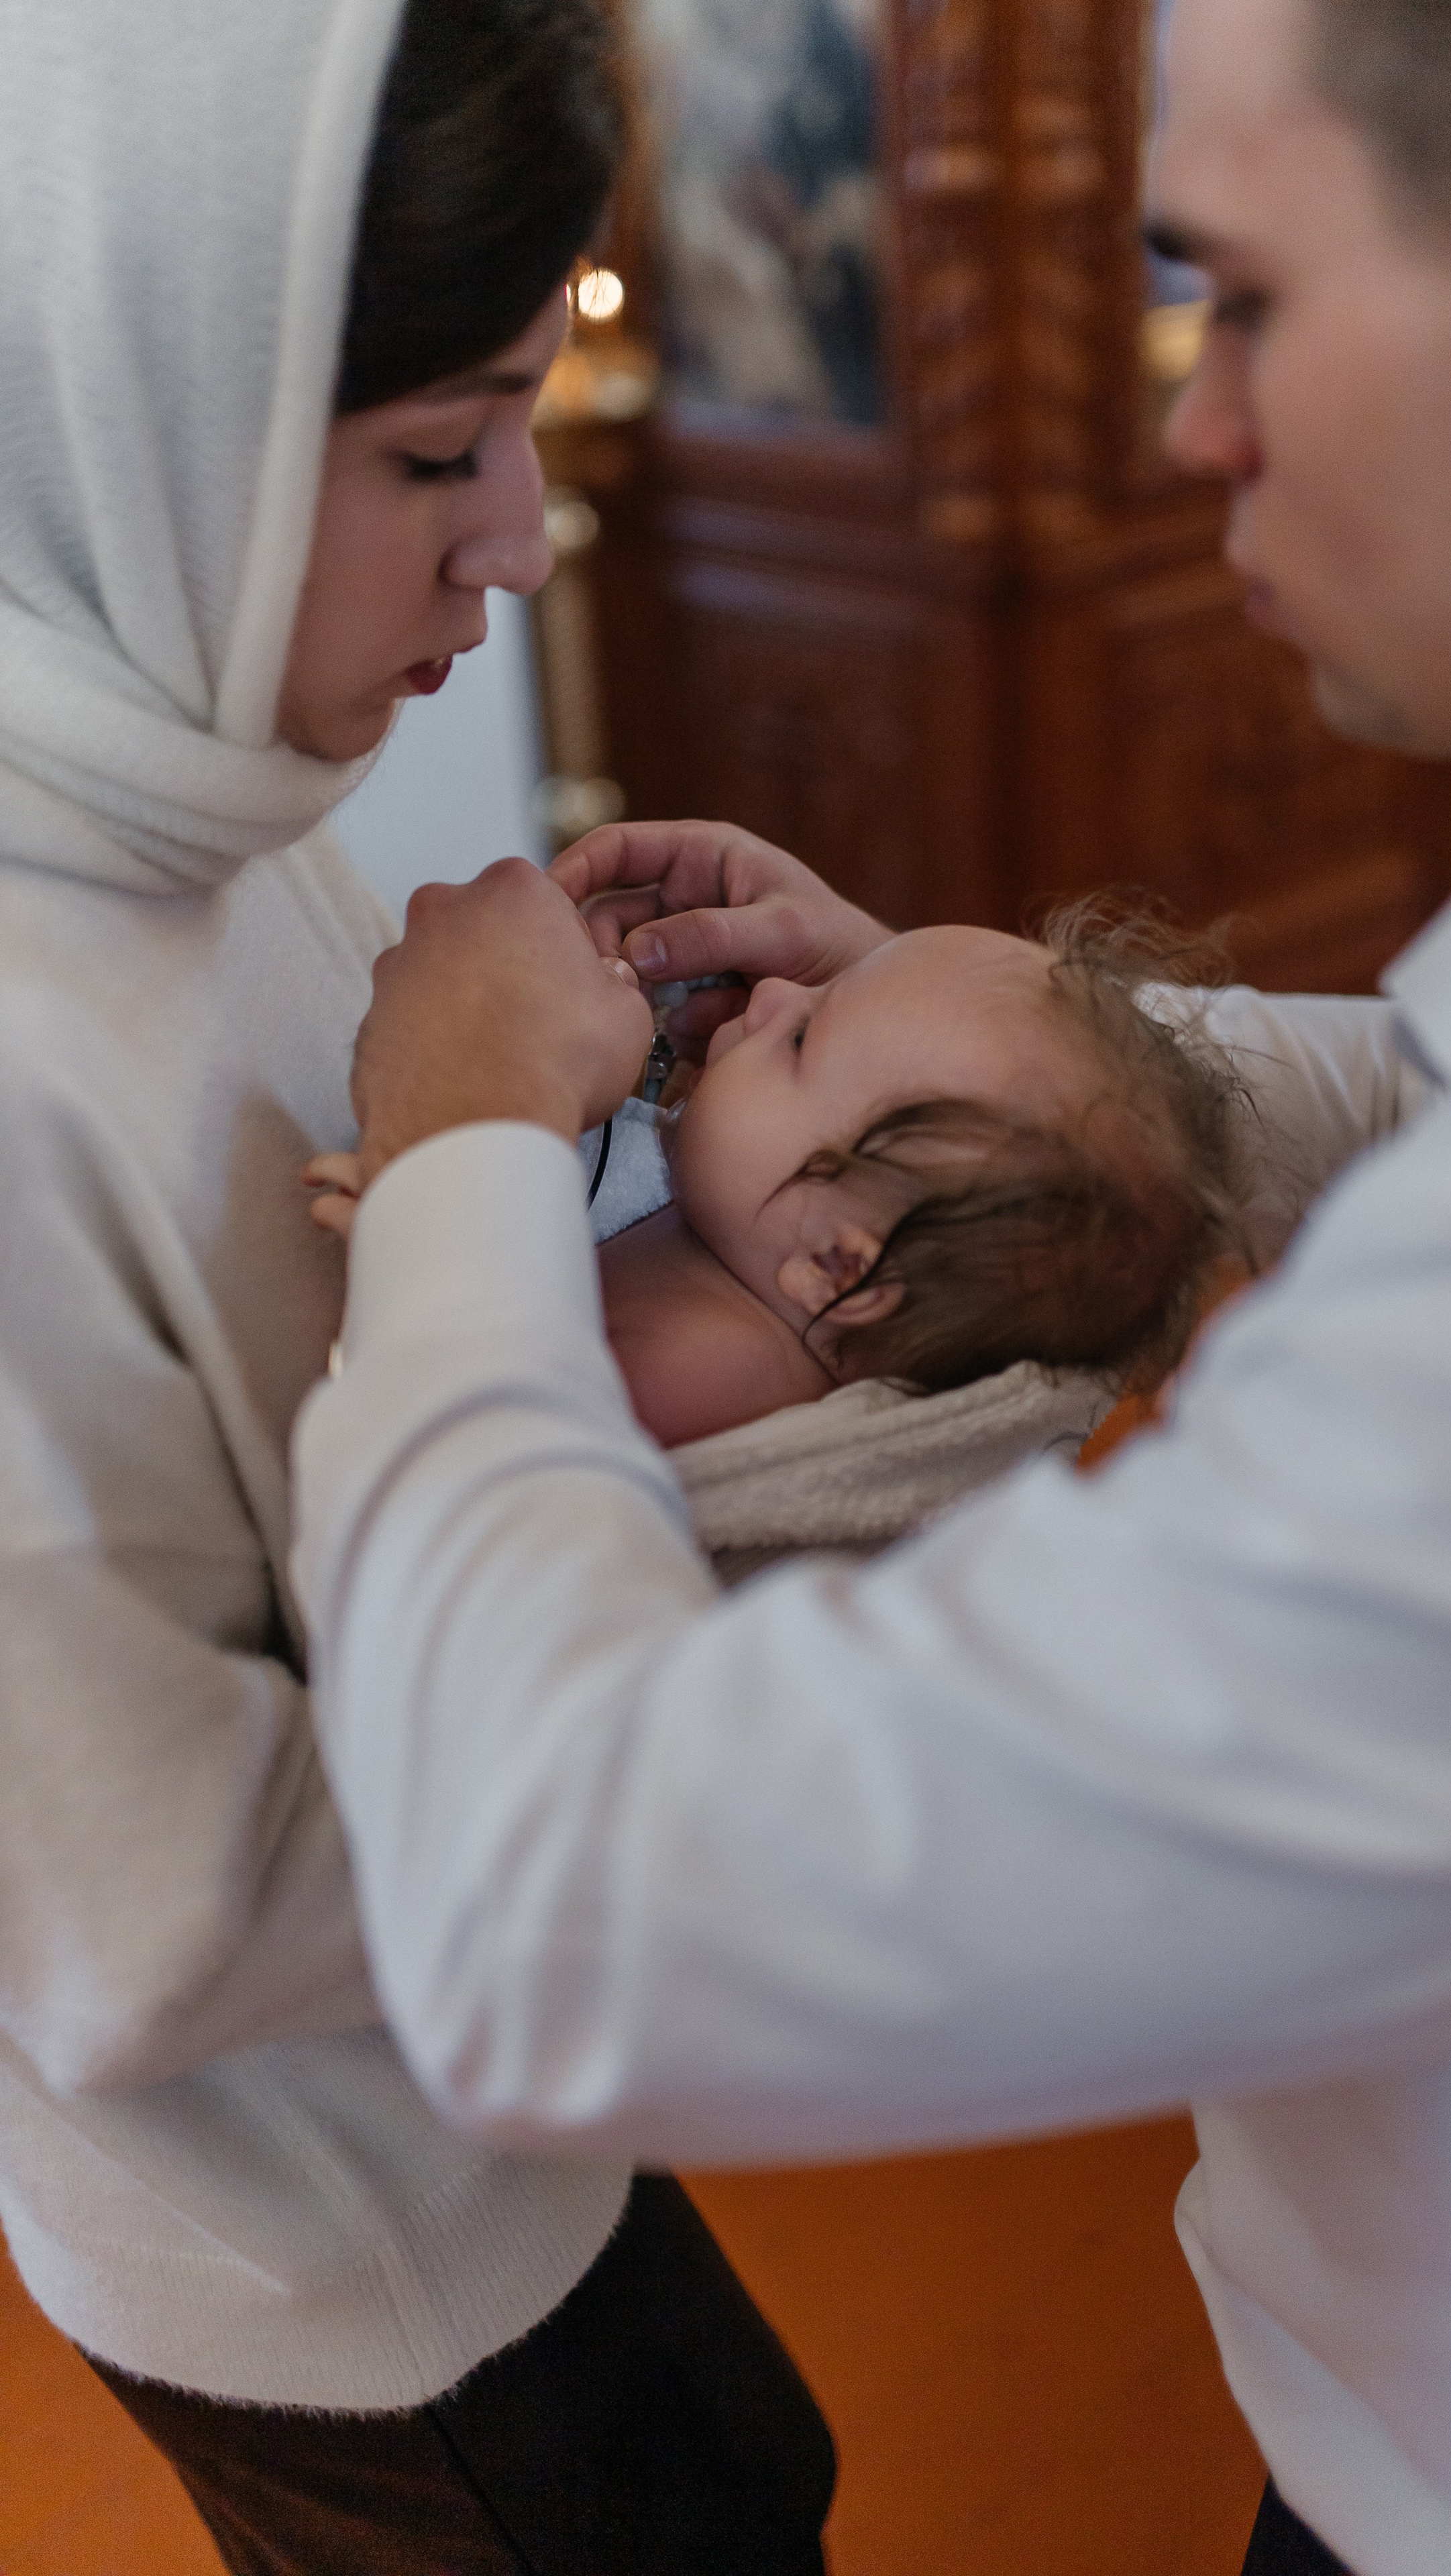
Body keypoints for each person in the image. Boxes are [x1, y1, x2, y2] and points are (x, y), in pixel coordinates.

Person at [292, 0, 1451, 2568]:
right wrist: (1002, 1066)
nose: (1192, 425)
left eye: (1244, 297)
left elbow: (558, 1925)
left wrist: (470, 1171)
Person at [0, 2, 834, 2570]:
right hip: (350, 2261)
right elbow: (130, 1930)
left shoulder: (208, 801)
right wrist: (703, 1678)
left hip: (470, 2126)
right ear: (157, 391)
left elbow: (329, 1331)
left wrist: (578, 1133)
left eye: (524, 411)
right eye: (427, 450)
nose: (523, 535)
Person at [308, 911, 1246, 1444]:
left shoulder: (694, 1373)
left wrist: (433, 1212)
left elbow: (480, 1428)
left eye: (803, 1039)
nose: (773, 994)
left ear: (837, 1270)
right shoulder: (734, 1243)